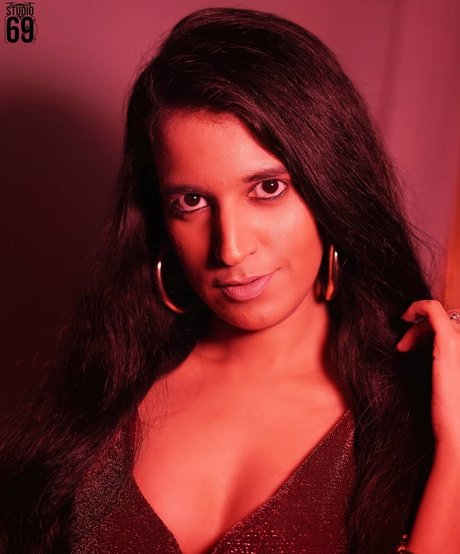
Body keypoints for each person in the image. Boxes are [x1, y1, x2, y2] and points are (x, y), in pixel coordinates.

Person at [1, 7, 459, 554]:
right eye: (191, 201)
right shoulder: (98, 396)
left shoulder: (415, 413)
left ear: (331, 187)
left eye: (267, 188)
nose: (231, 248)